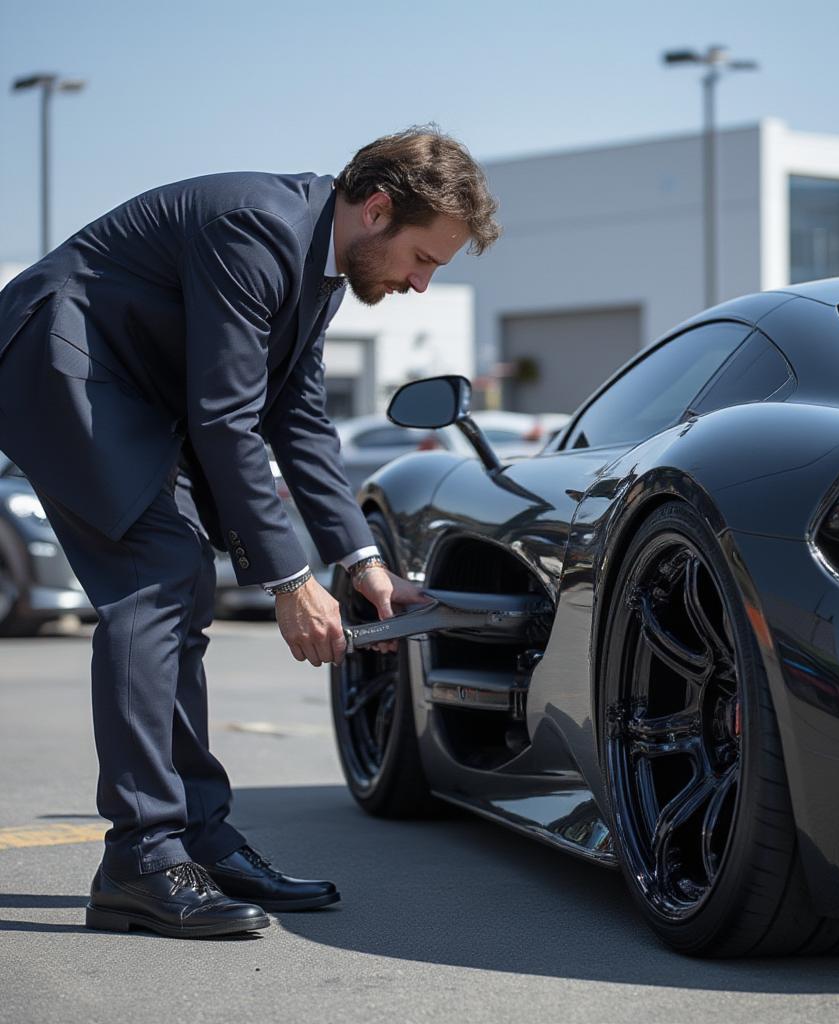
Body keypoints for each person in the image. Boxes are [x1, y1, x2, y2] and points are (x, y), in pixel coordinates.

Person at [0, 126, 501, 938]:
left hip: (128, 386)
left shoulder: (324, 270)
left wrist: (362, 562)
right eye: (424, 258)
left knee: (180, 587)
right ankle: (142, 855)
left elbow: (295, 419)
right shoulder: (259, 228)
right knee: (156, 585)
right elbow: (227, 418)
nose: (420, 283)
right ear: (377, 209)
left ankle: (197, 838)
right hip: (65, 363)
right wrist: (291, 580)